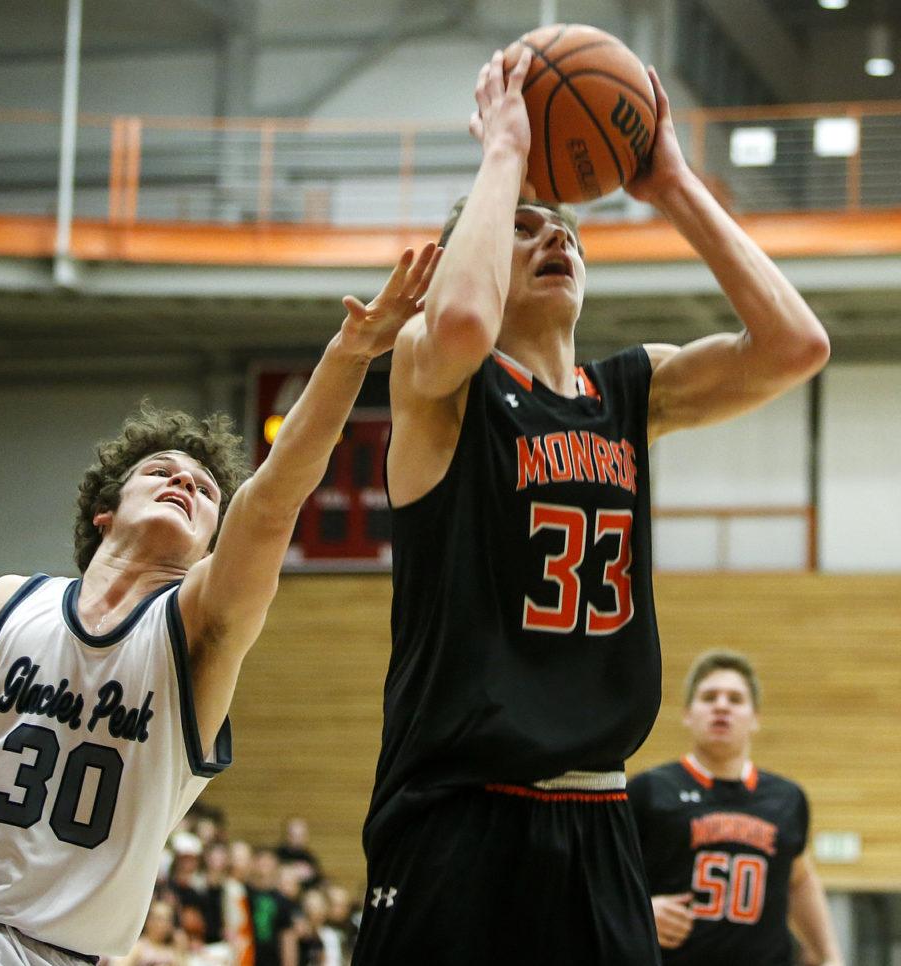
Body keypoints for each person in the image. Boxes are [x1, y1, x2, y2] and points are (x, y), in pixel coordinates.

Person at [351, 47, 830, 965]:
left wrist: (677, 188)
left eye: (567, 229)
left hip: (599, 811)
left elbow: (795, 346)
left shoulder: (629, 391)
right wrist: (504, 151)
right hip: (459, 805)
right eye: (525, 229)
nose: (555, 239)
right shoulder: (438, 376)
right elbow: (459, 321)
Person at [0, 243, 440, 966]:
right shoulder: (10, 601)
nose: (186, 484)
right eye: (161, 472)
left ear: (213, 542)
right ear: (105, 512)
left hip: (67, 952)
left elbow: (271, 501)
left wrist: (351, 353)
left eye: (206, 490)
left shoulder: (197, 628)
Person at [628, 651, 843, 966]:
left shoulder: (788, 798)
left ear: (755, 718)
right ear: (688, 713)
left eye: (735, 699)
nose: (721, 705)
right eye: (709, 697)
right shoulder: (648, 790)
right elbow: (601, 878)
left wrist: (831, 956)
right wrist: (640, 914)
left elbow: (800, 879)